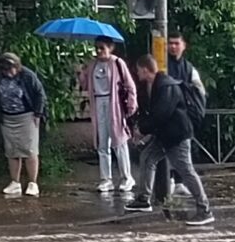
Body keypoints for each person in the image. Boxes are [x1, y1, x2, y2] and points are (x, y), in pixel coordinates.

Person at [126, 54, 213, 226]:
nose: (137, 74)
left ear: (145, 69)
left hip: (177, 137)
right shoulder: (157, 85)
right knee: (148, 158)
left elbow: (161, 114)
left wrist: (142, 130)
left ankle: (205, 210)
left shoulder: (166, 86)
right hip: (165, 135)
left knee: (186, 171)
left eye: (138, 71)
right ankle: (143, 199)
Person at [77, 36, 137, 194]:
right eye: (96, 47)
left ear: (110, 48)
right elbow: (86, 86)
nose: (98, 51)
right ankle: (106, 179)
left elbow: (130, 85)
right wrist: (81, 73)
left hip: (114, 104)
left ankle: (126, 177)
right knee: (102, 142)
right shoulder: (92, 64)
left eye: (102, 47)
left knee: (119, 141)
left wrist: (131, 105)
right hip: (98, 103)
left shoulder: (117, 63)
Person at [0, 52, 47, 198]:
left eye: (10, 69)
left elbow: (40, 94)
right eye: (4, 70)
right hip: (7, 118)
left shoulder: (27, 75)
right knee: (12, 150)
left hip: (27, 116)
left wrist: (38, 113)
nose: (8, 73)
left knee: (30, 149)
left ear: (17, 66)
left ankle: (33, 183)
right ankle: (15, 182)